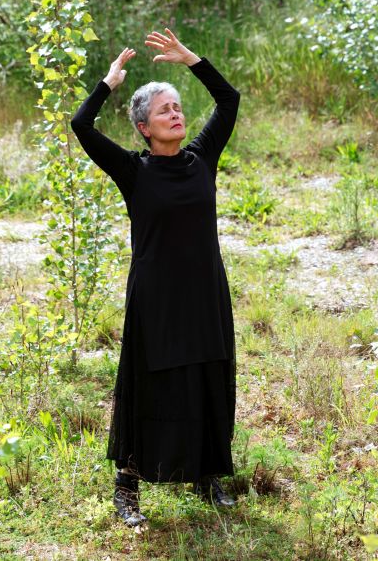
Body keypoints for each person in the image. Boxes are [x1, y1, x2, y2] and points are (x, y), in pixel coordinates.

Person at [70, 28, 240, 527]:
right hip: (156, 298)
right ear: (144, 127)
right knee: (152, 387)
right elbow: (81, 125)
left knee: (208, 377)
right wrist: (107, 84)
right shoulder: (134, 171)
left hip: (205, 292)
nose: (176, 114)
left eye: (178, 108)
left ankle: (207, 475)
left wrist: (191, 60)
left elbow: (228, 99)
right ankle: (128, 487)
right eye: (165, 110)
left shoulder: (201, 159)